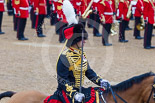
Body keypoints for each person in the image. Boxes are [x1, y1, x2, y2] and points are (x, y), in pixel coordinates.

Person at [44, 0, 109, 102]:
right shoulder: (64, 57)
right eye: (83, 40)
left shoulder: (81, 54)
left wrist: (100, 81)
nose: (85, 42)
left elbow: (88, 71)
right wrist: (74, 94)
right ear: (75, 40)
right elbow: (63, 81)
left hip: (80, 90)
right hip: (66, 93)